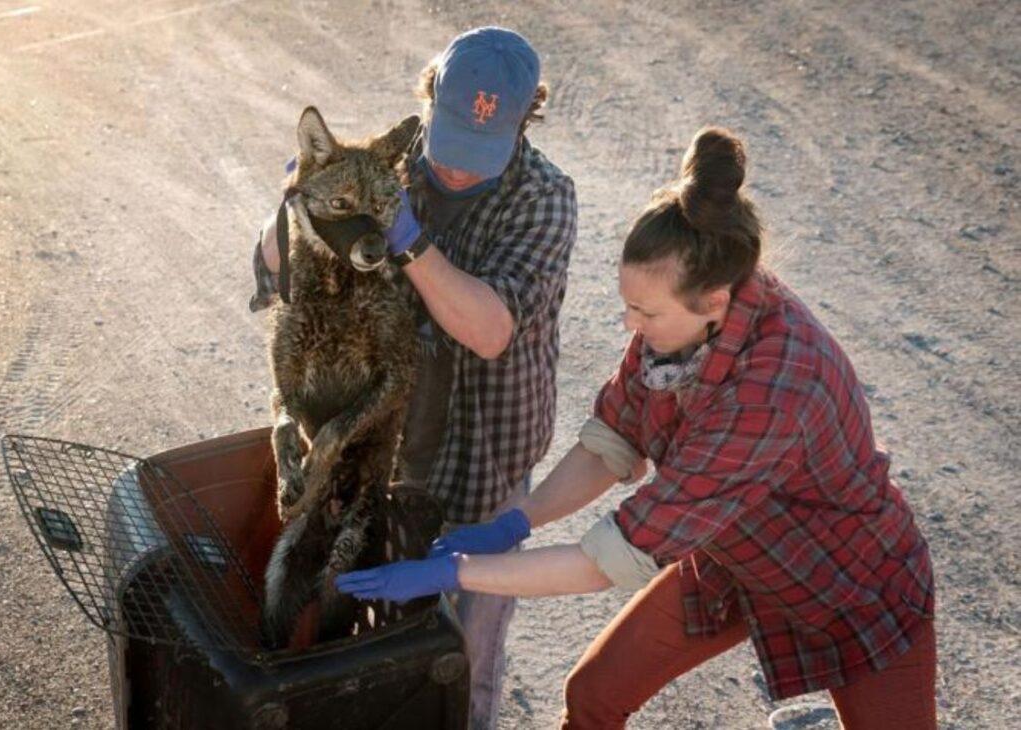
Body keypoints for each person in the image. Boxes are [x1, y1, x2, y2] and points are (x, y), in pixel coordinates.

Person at [337, 127, 937, 729]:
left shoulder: (776, 389)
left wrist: (456, 572)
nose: (630, 324)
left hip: (846, 586)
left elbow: (609, 561)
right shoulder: (677, 328)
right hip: (728, 554)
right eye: (628, 304)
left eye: (645, 312)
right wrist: (514, 522)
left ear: (716, 303)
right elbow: (612, 443)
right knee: (594, 694)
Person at [257, 27, 578, 730]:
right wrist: (296, 209)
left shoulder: (545, 199)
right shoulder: (382, 168)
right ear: (428, 101)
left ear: (525, 122)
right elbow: (275, 278)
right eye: (449, 142)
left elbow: (489, 330)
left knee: (460, 656)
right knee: (371, 625)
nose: (457, 171)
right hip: (383, 442)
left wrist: (408, 239)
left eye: (479, 156)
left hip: (479, 459)